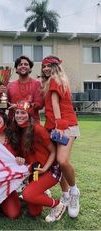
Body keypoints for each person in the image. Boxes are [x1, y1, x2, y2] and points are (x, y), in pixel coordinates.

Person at [41, 55, 80, 218]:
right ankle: (65, 195)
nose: (45, 69)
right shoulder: (51, 82)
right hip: (54, 126)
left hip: (64, 125)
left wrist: (59, 125)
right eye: (43, 66)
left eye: (49, 66)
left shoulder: (55, 80)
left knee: (62, 161)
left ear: (56, 67)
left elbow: (56, 104)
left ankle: (74, 191)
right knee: (58, 163)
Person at [13, 100, 65, 222]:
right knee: (34, 212)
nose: (19, 115)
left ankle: (58, 205)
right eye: (17, 112)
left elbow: (53, 151)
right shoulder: (17, 130)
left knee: (28, 195)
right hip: (35, 172)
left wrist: (46, 168)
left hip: (50, 170)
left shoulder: (37, 129)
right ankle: (42, 193)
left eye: (23, 113)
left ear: (29, 115)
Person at [7, 56, 44, 123]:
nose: (23, 66)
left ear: (30, 69)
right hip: (13, 124)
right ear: (16, 69)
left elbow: (39, 104)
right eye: (20, 65)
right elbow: (6, 105)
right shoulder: (10, 85)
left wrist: (19, 106)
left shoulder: (37, 84)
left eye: (26, 64)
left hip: (32, 124)